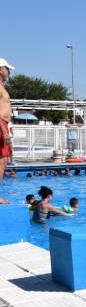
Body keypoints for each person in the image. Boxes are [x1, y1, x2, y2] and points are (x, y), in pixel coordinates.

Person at [0, 58, 14, 202]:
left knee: (3, 160)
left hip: (2, 124)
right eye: (7, 68)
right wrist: (4, 130)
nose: (9, 71)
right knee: (2, 160)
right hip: (1, 125)